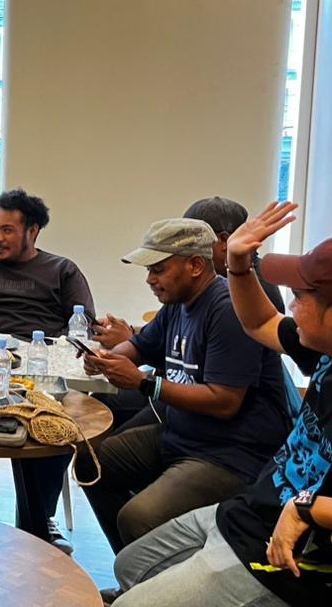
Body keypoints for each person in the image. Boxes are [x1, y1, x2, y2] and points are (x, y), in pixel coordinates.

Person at [111, 203, 332, 607]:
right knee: (128, 567)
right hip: (246, 516)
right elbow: (258, 322)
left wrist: (308, 509)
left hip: (285, 566)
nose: (289, 308)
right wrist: (237, 265)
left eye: (299, 298)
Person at [78, 217, 289, 554]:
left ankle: (150, 575)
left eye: (158, 269)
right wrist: (106, 358)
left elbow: (225, 402)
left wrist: (146, 383)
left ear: (195, 266)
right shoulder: (178, 304)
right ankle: (137, 569)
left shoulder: (227, 310)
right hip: (183, 437)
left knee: (138, 518)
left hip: (230, 455)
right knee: (90, 463)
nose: (150, 279)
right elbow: (140, 346)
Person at [0, 189, 95, 554]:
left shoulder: (62, 270)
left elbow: (84, 327)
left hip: (41, 367)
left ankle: (39, 516)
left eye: (7, 230)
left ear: (33, 231)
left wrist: (39, 351)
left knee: (60, 425)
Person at [92, 196, 285, 350]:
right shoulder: (195, 287)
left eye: (194, 240)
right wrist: (131, 332)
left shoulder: (252, 291)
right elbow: (174, 331)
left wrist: (131, 342)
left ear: (224, 241)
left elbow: (210, 351)